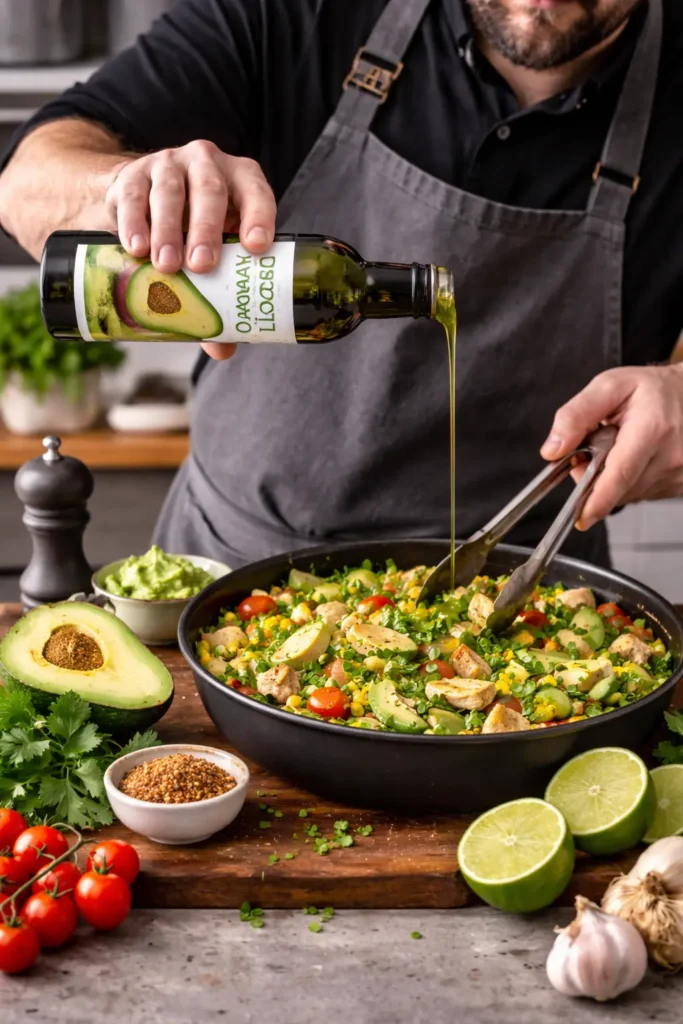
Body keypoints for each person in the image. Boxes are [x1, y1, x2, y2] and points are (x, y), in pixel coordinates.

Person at [0, 0, 681, 570]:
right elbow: (25, 186)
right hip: (227, 567)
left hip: (524, 591)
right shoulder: (297, 12)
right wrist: (121, 189)